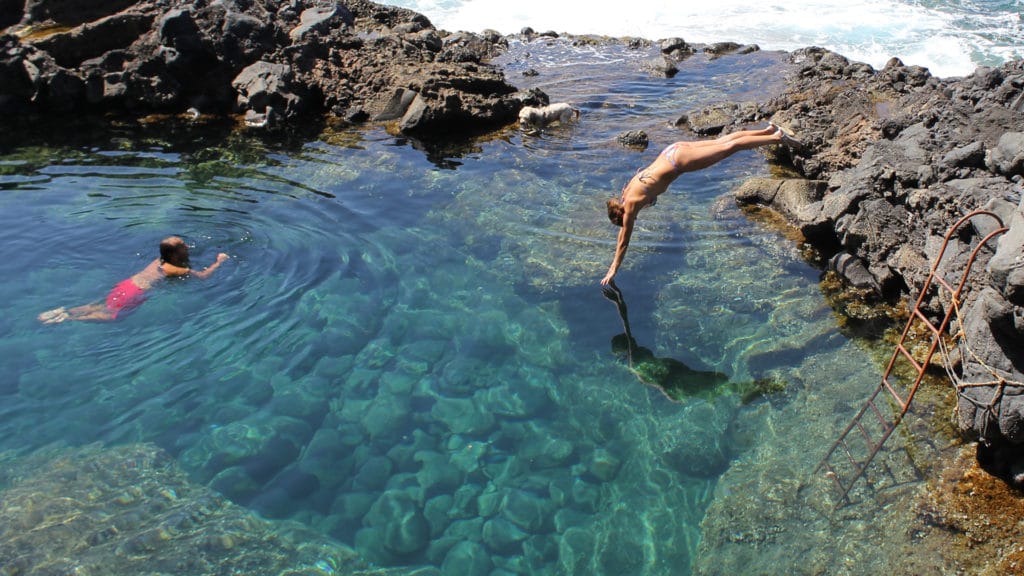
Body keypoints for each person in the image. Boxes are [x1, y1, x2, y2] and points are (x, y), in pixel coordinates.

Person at [601, 123, 801, 285]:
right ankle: (767, 130)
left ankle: (777, 138)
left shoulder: (630, 209)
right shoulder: (626, 194)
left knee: (730, 147)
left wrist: (614, 268)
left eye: (627, 221)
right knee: (723, 141)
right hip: (672, 150)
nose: (632, 220)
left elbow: (623, 241)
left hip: (678, 162)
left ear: (623, 217)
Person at [38, 236, 229, 323]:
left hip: (127, 284)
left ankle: (65, 309)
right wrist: (218, 262)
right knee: (111, 316)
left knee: (105, 304)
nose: (187, 245)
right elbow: (203, 277)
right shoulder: (176, 269)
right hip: (136, 293)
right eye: (182, 245)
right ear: (175, 253)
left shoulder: (159, 261)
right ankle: (68, 318)